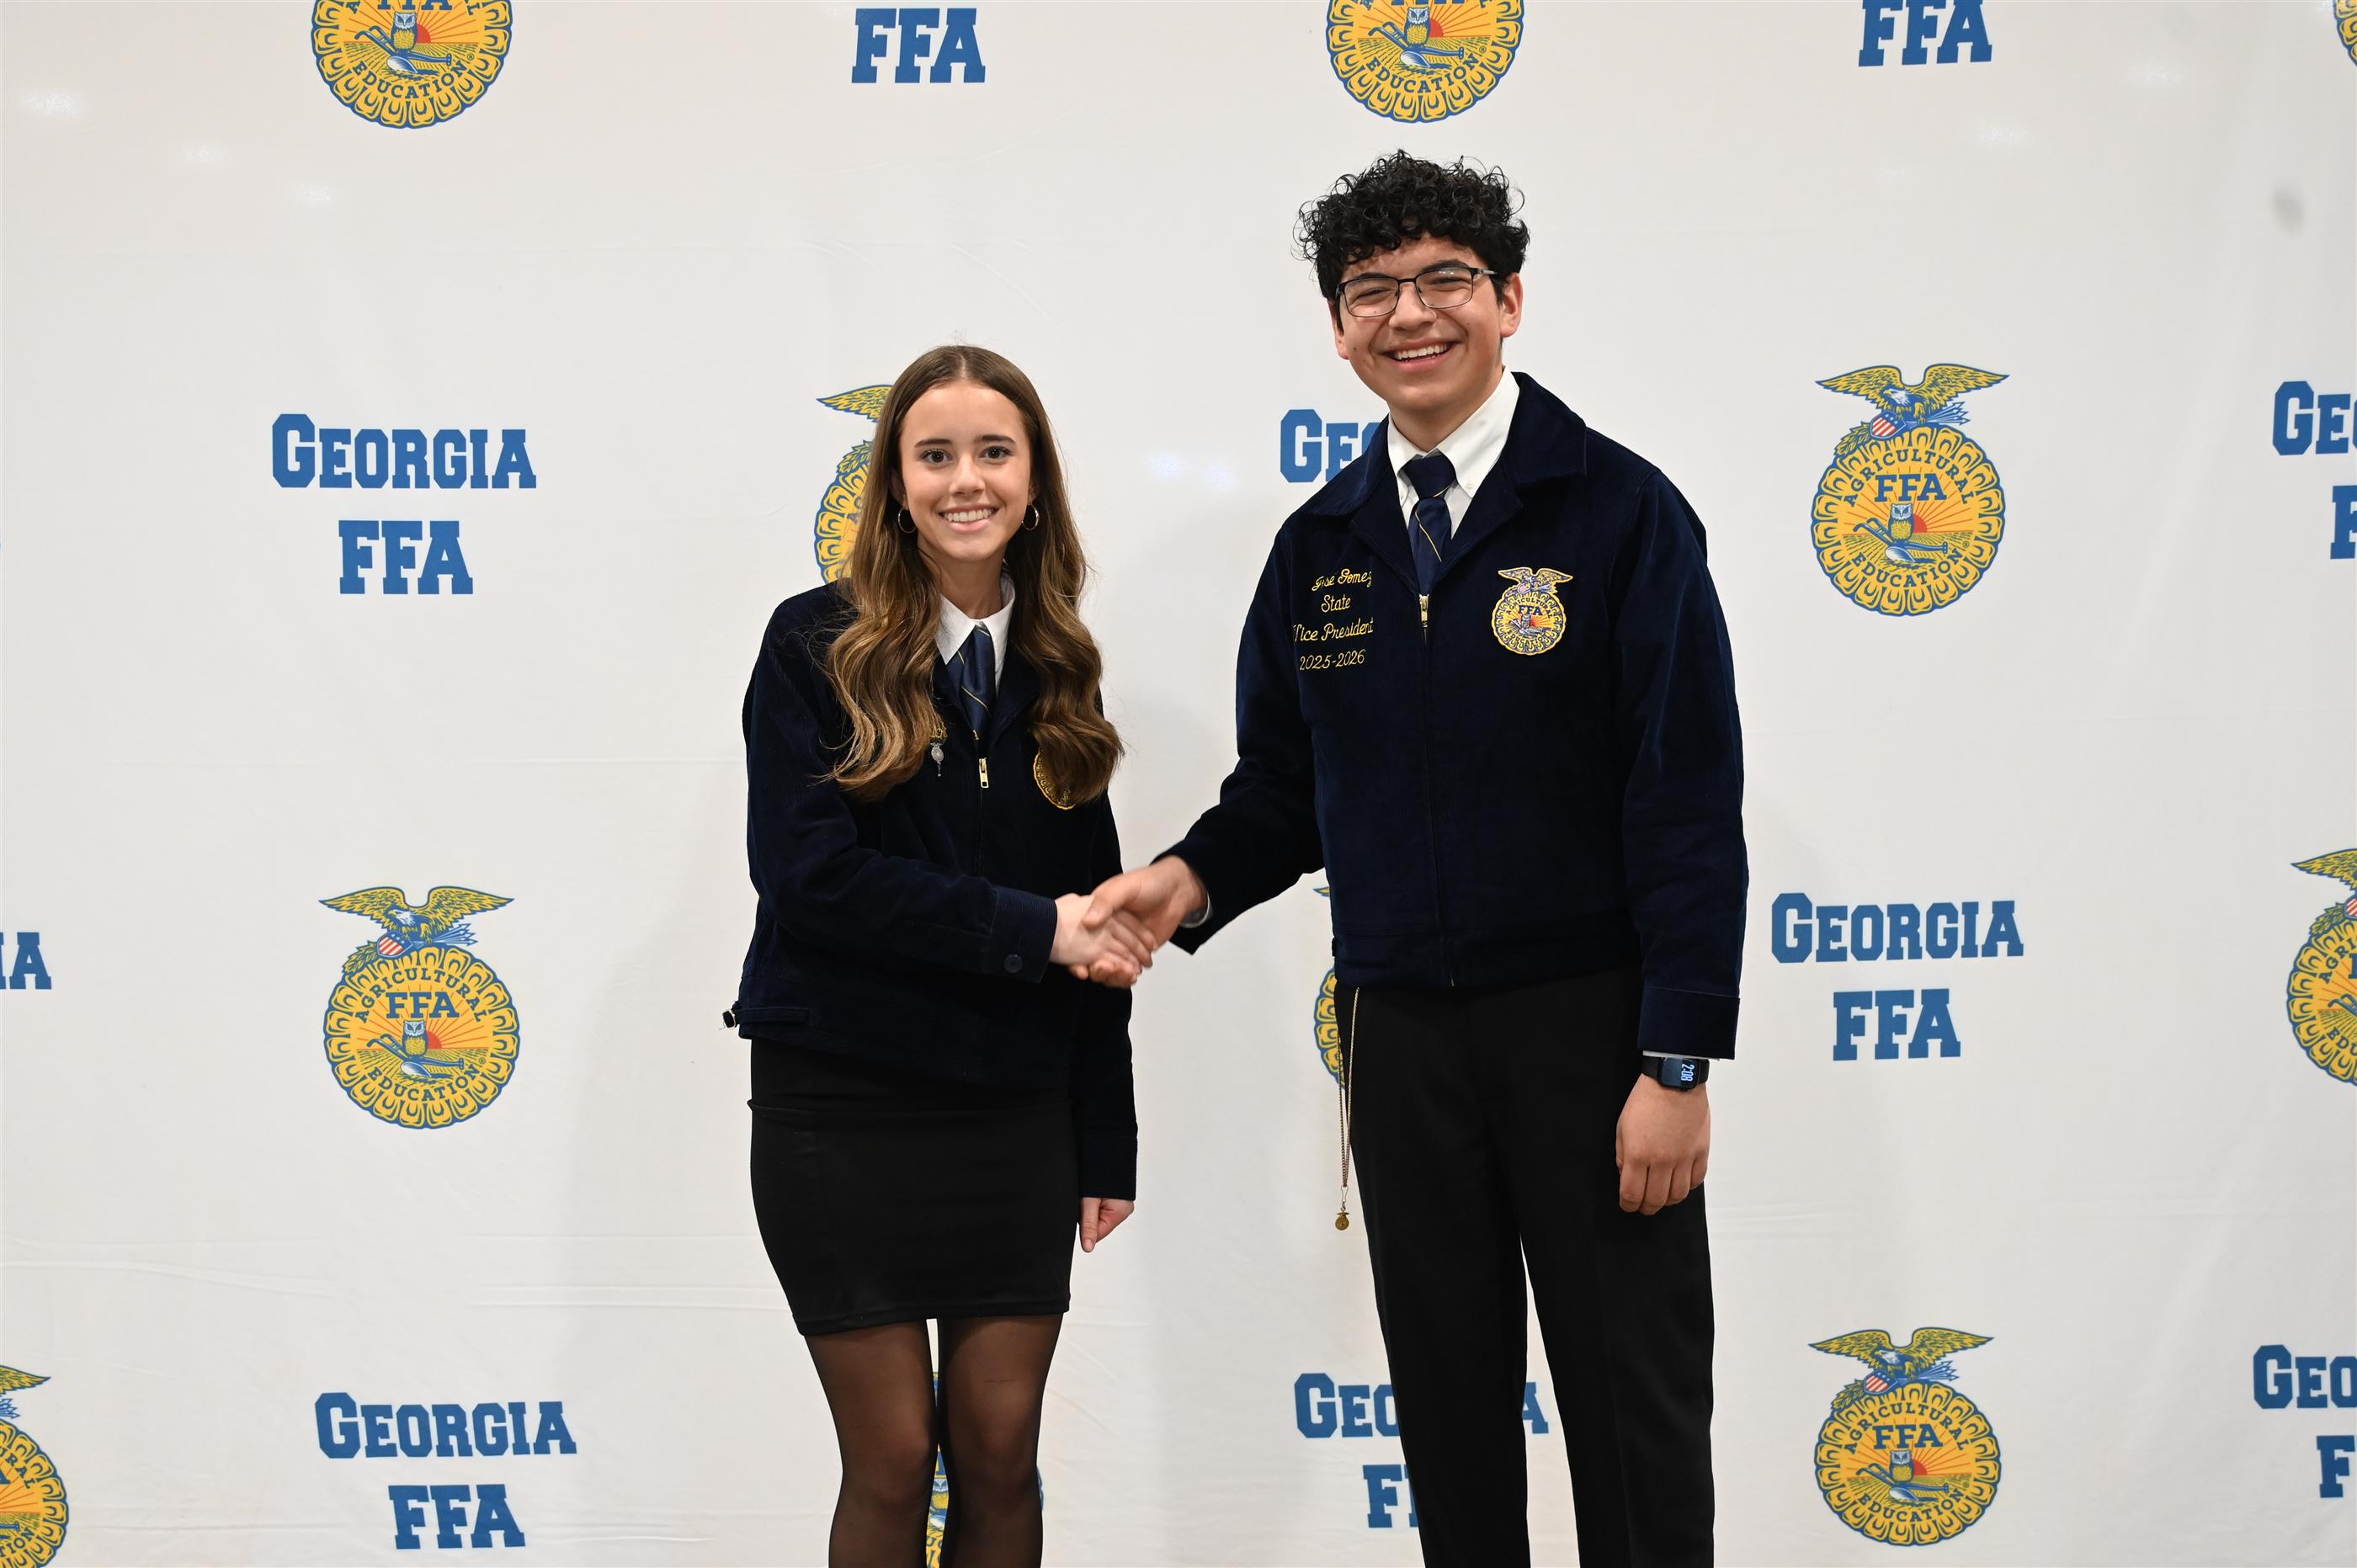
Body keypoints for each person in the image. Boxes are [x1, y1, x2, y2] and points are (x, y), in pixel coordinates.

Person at [1083, 153, 1746, 1567]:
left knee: (1632, 1415)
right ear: (1338, 330)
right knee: (1448, 1418)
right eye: (1371, 290)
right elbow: (1287, 791)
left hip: (1593, 1035)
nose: (1410, 314)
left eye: (1446, 279)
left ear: (1510, 300)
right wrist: (1183, 883)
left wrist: (1677, 1061)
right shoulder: (1320, 547)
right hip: (1401, 1040)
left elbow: (1686, 799)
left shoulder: (1619, 513)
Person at [730, 343, 1154, 1566]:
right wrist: (1034, 929)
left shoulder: (1061, 665)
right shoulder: (813, 643)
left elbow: (1098, 932)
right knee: (893, 1458)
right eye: (936, 455)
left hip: (1015, 1114)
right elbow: (810, 882)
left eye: (993, 452)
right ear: (896, 482)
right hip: (842, 1108)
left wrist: (1106, 1139)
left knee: (1002, 1451)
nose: (966, 480)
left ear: (1034, 480)